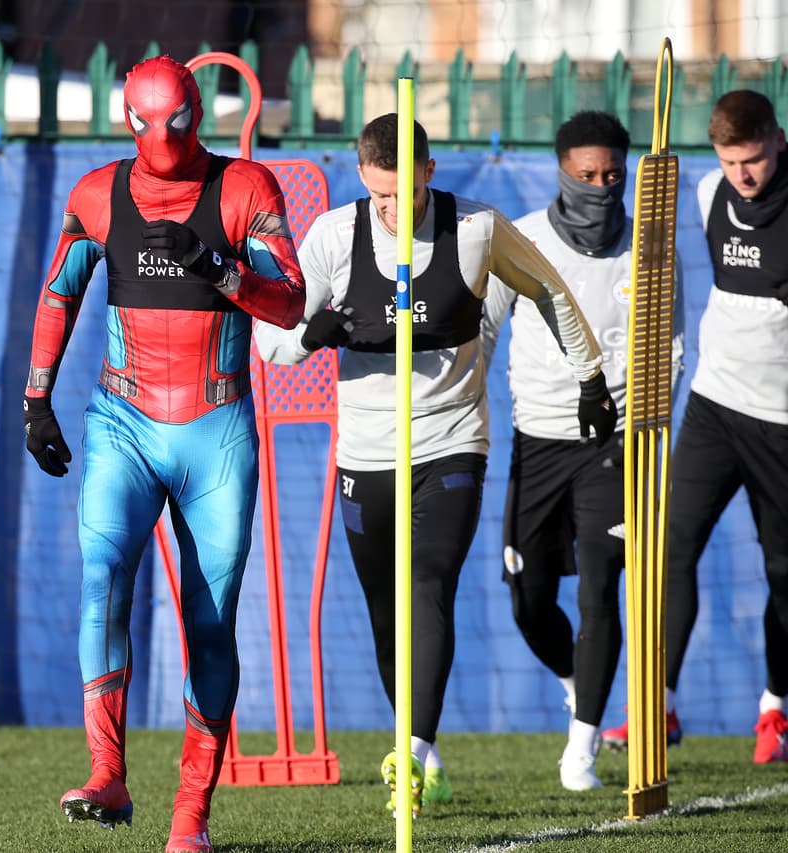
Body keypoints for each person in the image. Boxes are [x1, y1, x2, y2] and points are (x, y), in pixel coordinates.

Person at [254, 113, 614, 814]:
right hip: (365, 452)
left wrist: (591, 378)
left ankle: (412, 754)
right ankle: (426, 748)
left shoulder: (476, 229)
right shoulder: (333, 236)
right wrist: (310, 334)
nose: (393, 208)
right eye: (380, 195)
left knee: (430, 582)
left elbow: (549, 290)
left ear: (429, 172)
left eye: (406, 192)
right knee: (387, 615)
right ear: (363, 179)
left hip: (452, 439)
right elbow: (272, 342)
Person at [22, 55, 306, 853]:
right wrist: (36, 398)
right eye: (149, 125)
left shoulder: (246, 187)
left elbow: (291, 303)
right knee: (102, 575)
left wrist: (220, 269)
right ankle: (106, 773)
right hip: (124, 424)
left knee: (209, 623)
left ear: (197, 115)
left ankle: (190, 818)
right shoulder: (97, 193)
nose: (164, 139)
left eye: (176, 123)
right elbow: (59, 292)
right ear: (128, 120)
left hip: (215, 431)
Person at [480, 111, 684, 791]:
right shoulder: (523, 240)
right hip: (537, 440)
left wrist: (645, 427)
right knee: (528, 598)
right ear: (562, 171)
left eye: (612, 175)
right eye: (586, 175)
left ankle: (583, 749)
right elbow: (482, 333)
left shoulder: (650, 248)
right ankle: (577, 683)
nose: (600, 187)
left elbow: (671, 347)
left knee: (601, 587)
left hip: (614, 445)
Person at [602, 89, 788, 764]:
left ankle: (774, 710)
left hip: (783, 423)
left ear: (779, 141)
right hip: (715, 406)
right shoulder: (710, 192)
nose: (743, 174)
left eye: (754, 159)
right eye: (730, 160)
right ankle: (659, 705)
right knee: (667, 547)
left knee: (783, 571)